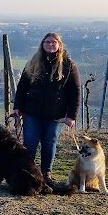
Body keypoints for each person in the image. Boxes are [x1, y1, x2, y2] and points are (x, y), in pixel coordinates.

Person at [13, 32, 81, 184]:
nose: (50, 44)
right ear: (42, 45)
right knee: (29, 143)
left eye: (53, 42)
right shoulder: (33, 62)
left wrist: (72, 116)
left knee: (49, 143)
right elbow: (22, 87)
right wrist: (18, 107)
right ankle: (27, 172)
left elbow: (75, 91)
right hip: (32, 112)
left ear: (59, 45)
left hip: (56, 114)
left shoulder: (68, 65)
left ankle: (46, 174)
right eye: (47, 42)